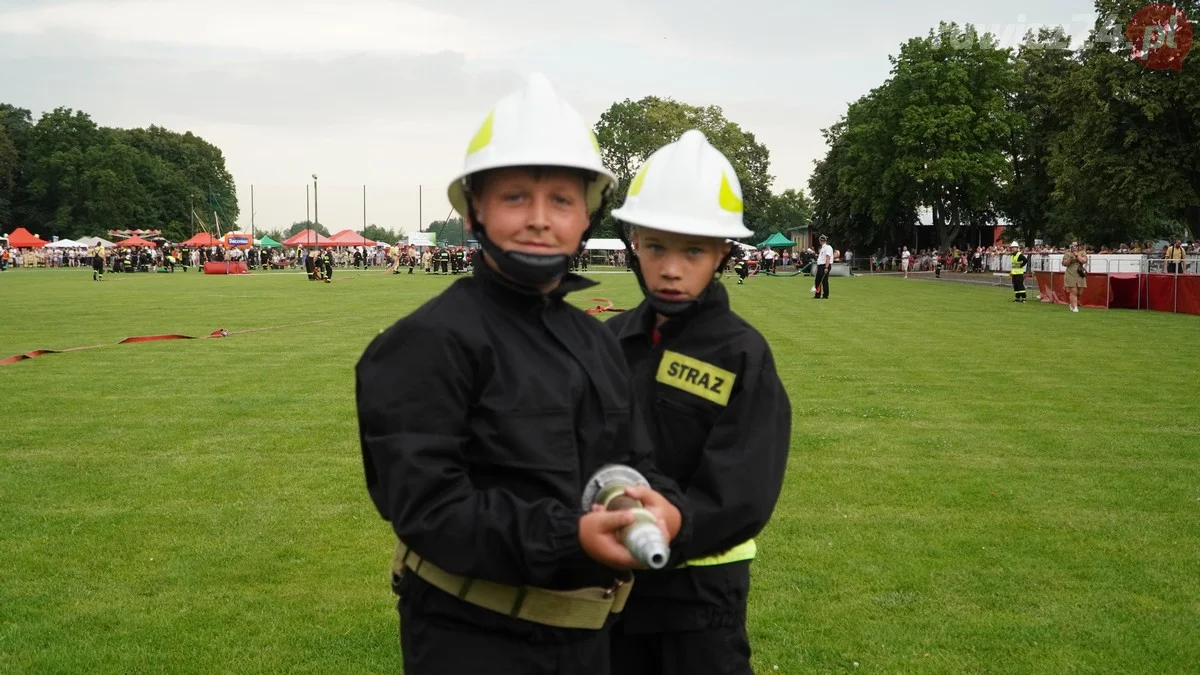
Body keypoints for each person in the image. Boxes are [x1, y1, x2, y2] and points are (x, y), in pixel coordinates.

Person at [355, 73, 688, 675]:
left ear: (586, 217)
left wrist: (659, 504)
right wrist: (571, 538)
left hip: (589, 643)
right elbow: (429, 508)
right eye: (515, 197)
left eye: (561, 200)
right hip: (472, 641)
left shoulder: (594, 339)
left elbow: (634, 459)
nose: (540, 219)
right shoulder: (423, 343)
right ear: (475, 210)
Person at [606, 130, 791, 675]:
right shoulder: (608, 343)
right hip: (607, 588)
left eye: (692, 250)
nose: (670, 268)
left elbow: (746, 490)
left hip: (700, 599)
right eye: (656, 246)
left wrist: (675, 524)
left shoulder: (742, 356)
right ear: (632, 243)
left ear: (721, 254)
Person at [1062, 241, 1087, 312]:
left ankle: (1072, 304)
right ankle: (1075, 307)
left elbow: (1084, 261)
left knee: (1080, 292)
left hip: (1080, 274)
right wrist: (1070, 258)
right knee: (1073, 291)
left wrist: (1077, 256)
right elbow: (1064, 263)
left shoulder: (1082, 252)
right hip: (1070, 274)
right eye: (1073, 246)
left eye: (1076, 246)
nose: (1074, 247)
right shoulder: (1067, 253)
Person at [813, 234, 833, 299]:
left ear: (821, 240)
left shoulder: (828, 247)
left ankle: (825, 295)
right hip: (820, 265)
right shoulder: (822, 248)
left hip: (824, 265)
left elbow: (828, 258)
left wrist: (826, 267)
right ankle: (817, 294)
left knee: (824, 280)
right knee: (817, 280)